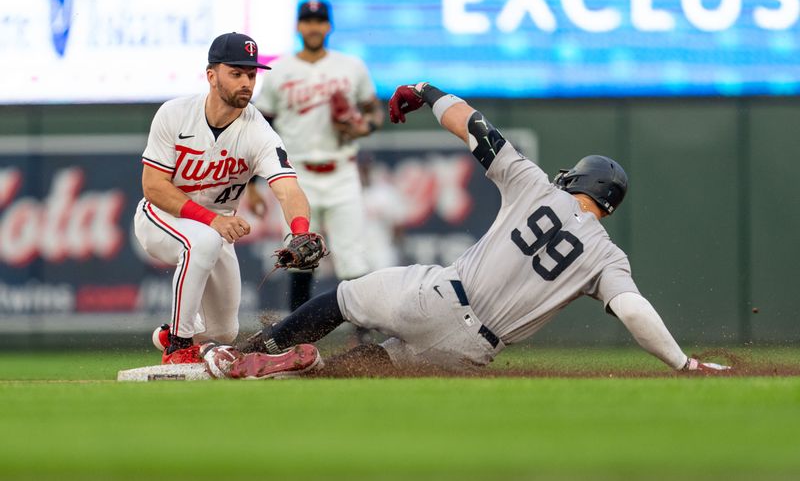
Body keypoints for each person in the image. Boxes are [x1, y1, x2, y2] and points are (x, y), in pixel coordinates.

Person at [218, 82, 730, 378]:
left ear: (577, 180)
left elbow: (475, 125)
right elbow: (634, 311)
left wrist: (424, 91)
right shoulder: (609, 259)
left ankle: (250, 353)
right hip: (471, 352)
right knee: (376, 365)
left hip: (440, 297)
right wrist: (682, 363)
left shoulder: (537, 187)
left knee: (344, 299)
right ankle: (305, 371)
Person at [134, 32, 317, 365]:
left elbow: (288, 187)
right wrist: (213, 221)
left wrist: (301, 229)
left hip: (215, 225)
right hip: (161, 215)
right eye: (236, 72)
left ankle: (168, 332)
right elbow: (154, 187)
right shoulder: (174, 114)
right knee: (201, 241)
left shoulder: (258, 131)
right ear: (211, 75)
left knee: (223, 332)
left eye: (251, 74)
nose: (246, 81)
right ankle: (177, 345)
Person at [251, 0, 383, 331]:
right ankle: (297, 337)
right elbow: (260, 126)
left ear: (328, 26)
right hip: (297, 175)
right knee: (299, 257)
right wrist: (253, 183)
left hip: (341, 171)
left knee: (354, 260)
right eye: (307, 21)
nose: (313, 27)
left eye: (319, 21)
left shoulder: (351, 67)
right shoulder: (280, 70)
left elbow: (373, 112)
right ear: (298, 26)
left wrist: (362, 127)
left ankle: (363, 341)